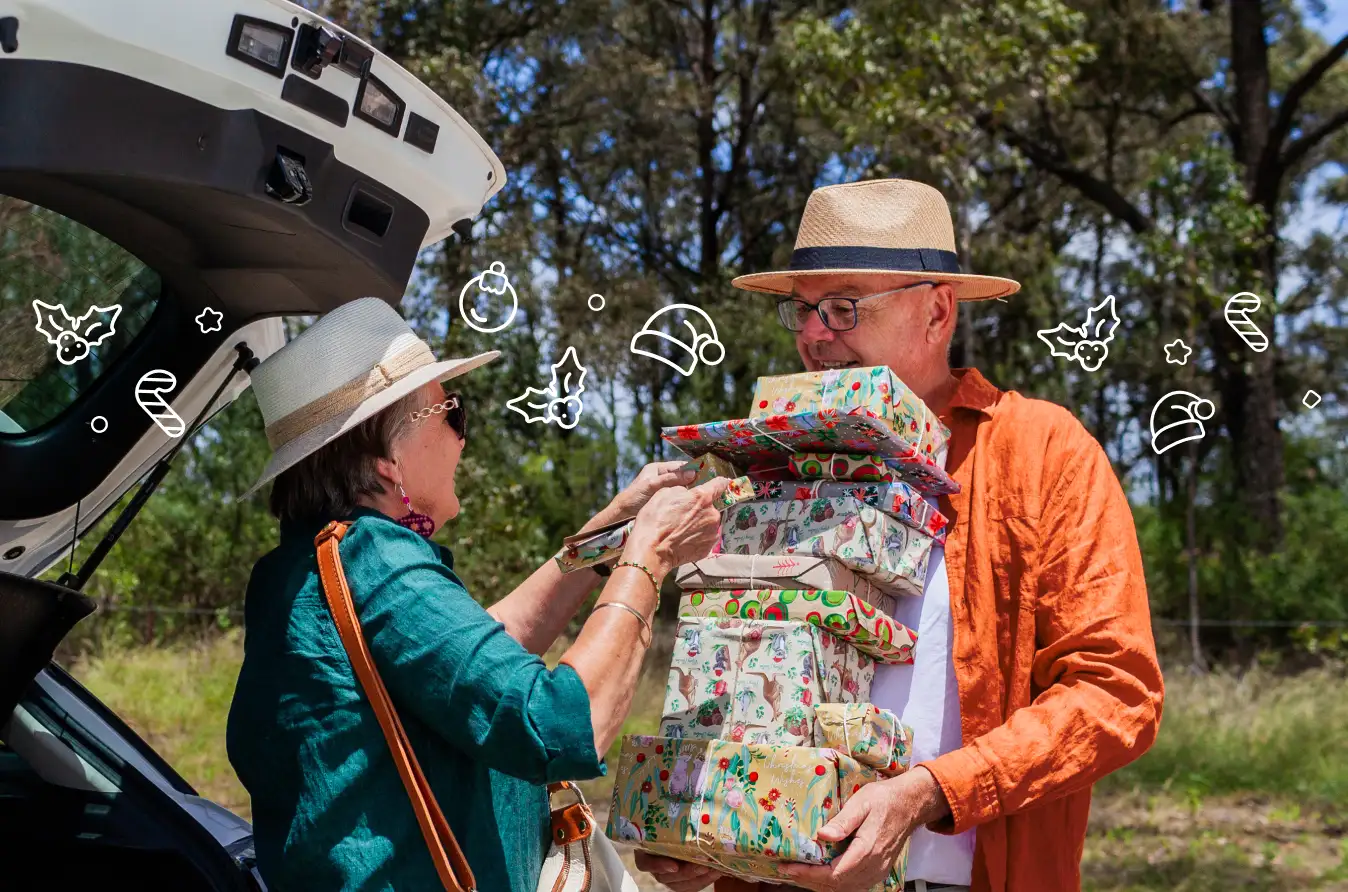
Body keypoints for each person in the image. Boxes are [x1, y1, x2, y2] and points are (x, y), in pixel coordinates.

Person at [635, 178, 1165, 892]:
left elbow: (1115, 694)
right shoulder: (770, 465)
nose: (815, 334)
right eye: (803, 309)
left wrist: (927, 793)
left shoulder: (1043, 454)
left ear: (937, 310)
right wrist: (704, 824)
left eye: (844, 307)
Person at [225, 297, 730, 892]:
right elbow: (565, 725)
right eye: (451, 415)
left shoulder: (304, 569)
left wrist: (606, 534)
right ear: (389, 463)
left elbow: (475, 659)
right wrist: (650, 556)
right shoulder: (376, 560)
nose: (464, 440)